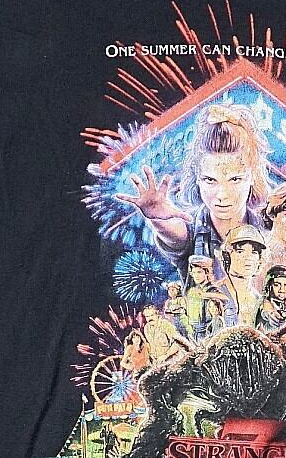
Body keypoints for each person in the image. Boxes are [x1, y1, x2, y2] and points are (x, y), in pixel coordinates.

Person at [114, 103, 271, 283]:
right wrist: (158, 219)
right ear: (197, 178)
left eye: (235, 179)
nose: (222, 195)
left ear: (252, 176)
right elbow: (175, 236)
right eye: (210, 180)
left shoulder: (269, 232)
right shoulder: (191, 232)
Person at [219, 223, 267, 327]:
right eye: (240, 251)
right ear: (227, 257)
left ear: (260, 259)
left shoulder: (259, 299)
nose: (248, 257)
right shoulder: (217, 292)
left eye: (254, 252)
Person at [184, 256, 228, 343]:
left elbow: (225, 298)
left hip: (208, 330)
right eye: (194, 273)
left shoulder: (211, 288)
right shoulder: (193, 290)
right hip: (195, 330)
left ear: (207, 272)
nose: (196, 276)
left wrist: (206, 295)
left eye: (199, 272)